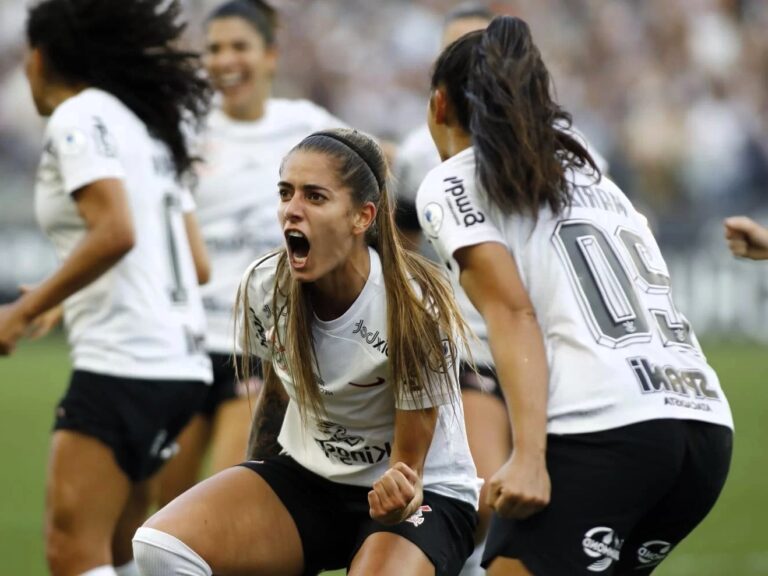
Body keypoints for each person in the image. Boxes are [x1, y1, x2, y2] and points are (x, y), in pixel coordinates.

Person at [417, 16, 733, 576]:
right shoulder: (593, 176)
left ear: (439, 106)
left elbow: (512, 311)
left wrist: (531, 456)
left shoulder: (452, 179)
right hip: (702, 430)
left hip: (605, 430)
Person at [133, 128, 481, 576]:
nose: (292, 210)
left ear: (362, 217)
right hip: (311, 480)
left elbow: (408, 471)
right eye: (286, 193)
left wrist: (398, 498)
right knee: (159, 548)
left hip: (419, 493)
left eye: (315, 197)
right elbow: (277, 393)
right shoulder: (264, 286)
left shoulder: (413, 311)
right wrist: (254, 480)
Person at [0, 1, 213, 574]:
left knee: (71, 550)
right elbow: (196, 265)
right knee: (123, 552)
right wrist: (65, 295)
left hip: (126, 364)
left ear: (42, 57)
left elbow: (116, 230)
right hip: (180, 369)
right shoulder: (147, 126)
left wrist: (23, 310)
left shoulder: (80, 115)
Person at [154, 0, 347, 508]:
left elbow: (372, 168)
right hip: (185, 342)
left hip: (260, 344)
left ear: (270, 57)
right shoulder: (184, 128)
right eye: (214, 48)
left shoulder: (305, 124)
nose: (224, 60)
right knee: (165, 511)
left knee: (224, 506)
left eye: (239, 46)